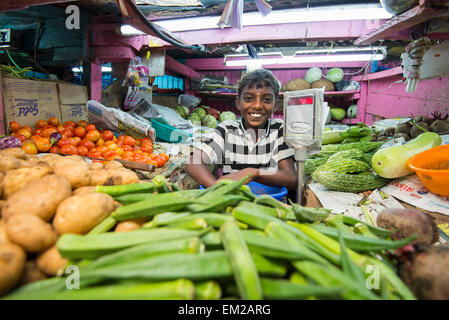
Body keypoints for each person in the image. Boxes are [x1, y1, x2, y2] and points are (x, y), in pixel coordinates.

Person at [184, 68, 297, 190]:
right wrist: (215, 188)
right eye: (249, 98)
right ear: (238, 103)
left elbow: (290, 177)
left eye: (267, 99)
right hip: (233, 199)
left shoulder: (279, 129)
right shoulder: (227, 129)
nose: (257, 106)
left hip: (270, 199)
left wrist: (253, 173)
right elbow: (192, 163)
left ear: (275, 105)